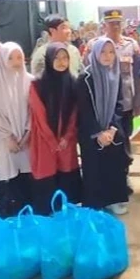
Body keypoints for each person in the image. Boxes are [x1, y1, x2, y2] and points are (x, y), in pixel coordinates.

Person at [84, 9, 140, 195]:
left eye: (118, 22)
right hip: (101, 107)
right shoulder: (94, 45)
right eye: (111, 22)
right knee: (102, 143)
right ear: (104, 24)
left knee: (123, 143)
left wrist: (138, 101)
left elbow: (137, 76)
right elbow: (87, 71)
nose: (115, 26)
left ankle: (123, 176)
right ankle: (105, 180)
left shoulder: (132, 45)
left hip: (123, 105)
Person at [76, 38, 133, 215]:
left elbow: (119, 105)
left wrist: (111, 129)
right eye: (103, 52)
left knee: (114, 165)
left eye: (111, 52)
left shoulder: (115, 76)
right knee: (94, 167)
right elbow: (83, 110)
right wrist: (98, 132)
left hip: (112, 129)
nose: (107, 56)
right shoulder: (84, 78)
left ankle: (114, 200)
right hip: (91, 132)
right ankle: (96, 202)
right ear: (95, 53)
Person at [29, 42, 82, 215]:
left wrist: (67, 137)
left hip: (66, 139)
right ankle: (47, 211)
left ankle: (66, 209)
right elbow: (39, 115)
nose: (61, 62)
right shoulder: (37, 85)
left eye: (65, 58)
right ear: (49, 60)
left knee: (66, 170)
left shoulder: (73, 83)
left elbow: (75, 113)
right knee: (47, 171)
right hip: (44, 140)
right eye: (57, 58)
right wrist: (52, 141)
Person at [0, 42, 33, 217]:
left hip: (27, 137)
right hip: (6, 139)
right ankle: (12, 213)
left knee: (27, 173)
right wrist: (8, 137)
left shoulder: (30, 80)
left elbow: (33, 110)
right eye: (11, 58)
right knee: (10, 174)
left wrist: (27, 133)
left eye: (19, 57)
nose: (15, 61)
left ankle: (29, 211)